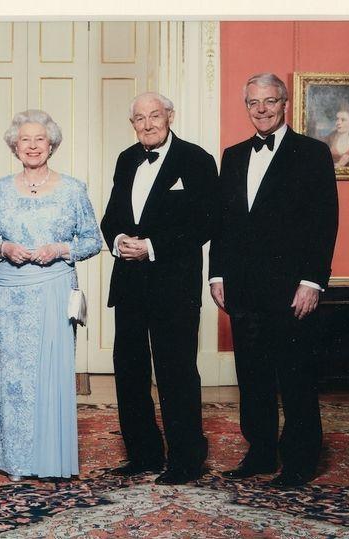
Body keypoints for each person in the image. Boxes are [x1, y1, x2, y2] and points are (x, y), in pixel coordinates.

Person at [209, 73, 338, 488]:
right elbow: (223, 224)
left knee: (296, 376)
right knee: (253, 376)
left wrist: (313, 282)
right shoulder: (232, 156)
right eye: (253, 103)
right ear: (245, 106)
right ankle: (261, 451)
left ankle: (300, 461)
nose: (261, 109)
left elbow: (325, 223)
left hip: (291, 289)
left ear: (284, 103)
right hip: (243, 289)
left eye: (269, 101)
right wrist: (217, 273)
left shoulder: (313, 153)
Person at [0, 110, 102, 482]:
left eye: (39, 139)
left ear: (52, 145)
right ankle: (15, 461)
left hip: (54, 289)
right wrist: (3, 248)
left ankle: (51, 460)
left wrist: (62, 249)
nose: (32, 146)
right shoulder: (0, 188)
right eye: (25, 140)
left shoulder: (74, 189)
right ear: (15, 146)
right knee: (13, 378)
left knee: (51, 376)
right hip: (10, 296)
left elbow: (93, 240)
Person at [100, 92, 216, 485]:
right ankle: (143, 453)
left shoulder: (196, 159)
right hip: (129, 283)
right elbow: (112, 215)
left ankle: (186, 459)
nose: (147, 124)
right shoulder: (126, 159)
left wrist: (151, 247)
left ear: (170, 115)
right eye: (139, 118)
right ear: (131, 123)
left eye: (154, 116)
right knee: (129, 370)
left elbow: (205, 222)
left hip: (173, 285)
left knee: (176, 372)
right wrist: (117, 241)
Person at [322, 103, 349, 168]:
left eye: (343, 120)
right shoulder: (327, 141)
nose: (338, 123)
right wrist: (339, 165)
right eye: (337, 119)